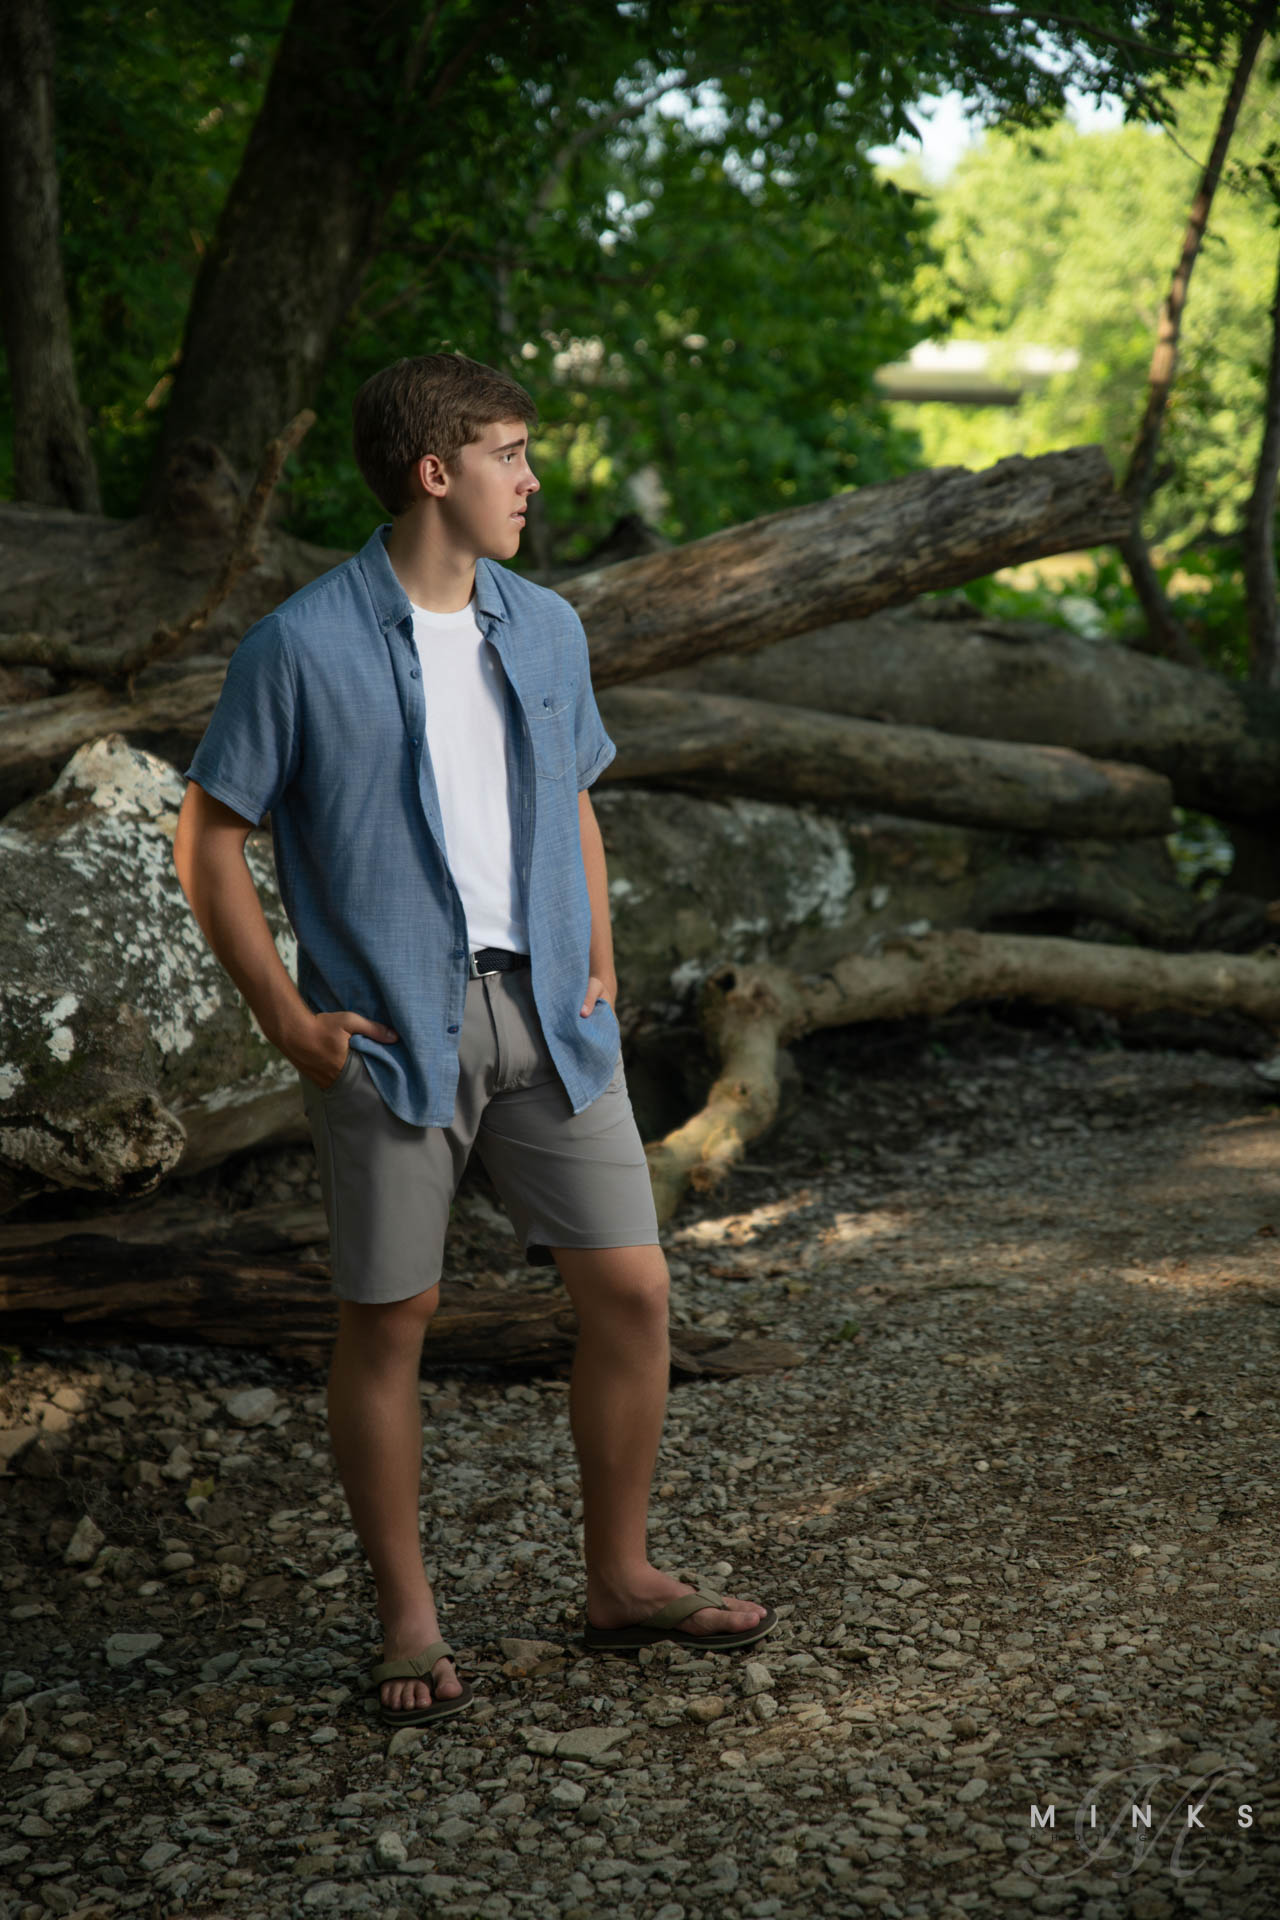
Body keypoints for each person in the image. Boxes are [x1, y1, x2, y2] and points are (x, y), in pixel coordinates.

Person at [173, 351, 775, 1730]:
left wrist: (601, 960)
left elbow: (574, 797)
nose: (533, 478)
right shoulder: (300, 646)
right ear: (436, 471)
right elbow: (208, 837)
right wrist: (288, 1020)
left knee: (634, 1294)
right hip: (393, 1030)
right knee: (392, 1322)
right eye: (511, 453)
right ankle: (408, 1619)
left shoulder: (547, 626)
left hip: (554, 1018)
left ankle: (620, 1578)